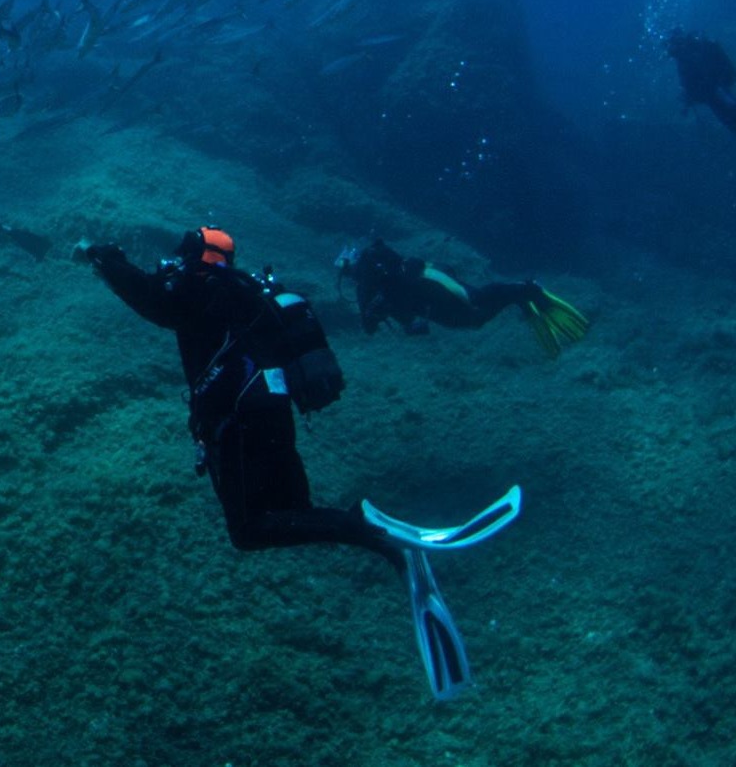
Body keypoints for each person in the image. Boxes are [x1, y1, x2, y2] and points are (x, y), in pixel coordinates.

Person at [77, 225, 521, 699]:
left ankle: (367, 527)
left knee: (248, 529)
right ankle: (389, 547)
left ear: (198, 257)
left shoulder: (203, 284)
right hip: (274, 412)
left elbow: (152, 299)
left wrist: (105, 258)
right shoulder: (251, 290)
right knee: (296, 511)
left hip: (238, 418)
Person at [335, 237, 588, 356]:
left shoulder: (367, 284)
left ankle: (527, 290)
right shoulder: (381, 271)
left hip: (432, 290)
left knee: (474, 308)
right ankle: (521, 295)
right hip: (432, 280)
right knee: (475, 311)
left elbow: (368, 326)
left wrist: (377, 311)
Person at [665, 28, 736, 134]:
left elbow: (697, 78)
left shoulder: (690, 54)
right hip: (714, 92)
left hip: (715, 92)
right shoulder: (687, 55)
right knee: (729, 117)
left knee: (729, 114)